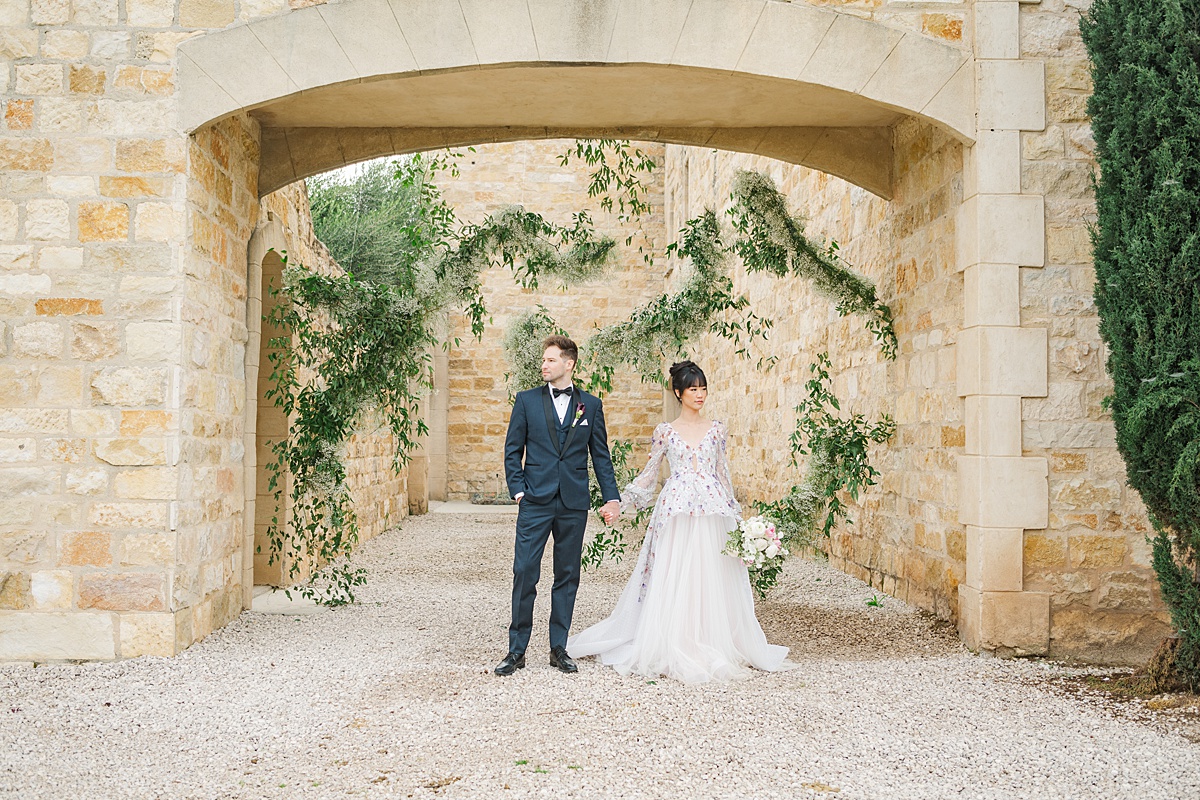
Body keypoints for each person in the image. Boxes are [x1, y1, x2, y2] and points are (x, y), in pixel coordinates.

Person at [567, 361, 789, 683]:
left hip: (713, 512)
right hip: (676, 513)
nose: (700, 395)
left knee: (711, 574)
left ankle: (711, 640)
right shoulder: (665, 432)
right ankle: (676, 641)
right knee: (675, 575)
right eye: (693, 389)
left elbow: (723, 473)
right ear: (678, 393)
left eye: (703, 388)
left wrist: (740, 520)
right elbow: (649, 475)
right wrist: (620, 503)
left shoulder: (717, 428)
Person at [495, 335, 621, 676]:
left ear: (569, 364)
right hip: (534, 500)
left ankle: (558, 648)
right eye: (543, 360)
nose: (544, 365)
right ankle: (516, 651)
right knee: (524, 572)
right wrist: (519, 491)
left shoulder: (590, 406)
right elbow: (512, 450)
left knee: (567, 575)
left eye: (551, 360)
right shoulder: (526, 401)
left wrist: (612, 497)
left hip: (573, 502)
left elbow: (600, 456)